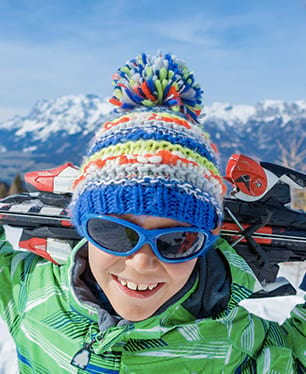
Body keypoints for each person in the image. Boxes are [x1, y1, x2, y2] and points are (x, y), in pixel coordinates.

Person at [0, 52, 304, 373]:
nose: (142, 262)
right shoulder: (29, 291)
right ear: (83, 227)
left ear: (207, 240)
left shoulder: (237, 340)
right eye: (114, 232)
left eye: (177, 240)